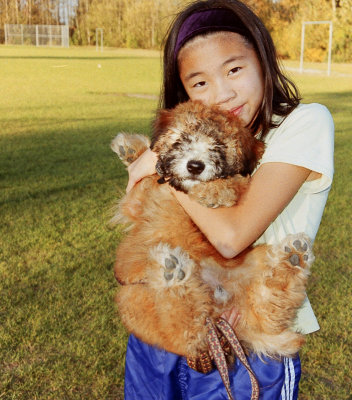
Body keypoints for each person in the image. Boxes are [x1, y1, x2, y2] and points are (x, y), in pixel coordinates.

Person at [122, 0, 334, 399]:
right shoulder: (194, 137)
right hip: (165, 328)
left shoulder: (304, 124)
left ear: (263, 60)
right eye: (200, 83)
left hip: (248, 341)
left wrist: (169, 168)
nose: (222, 93)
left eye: (234, 69)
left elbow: (231, 237)